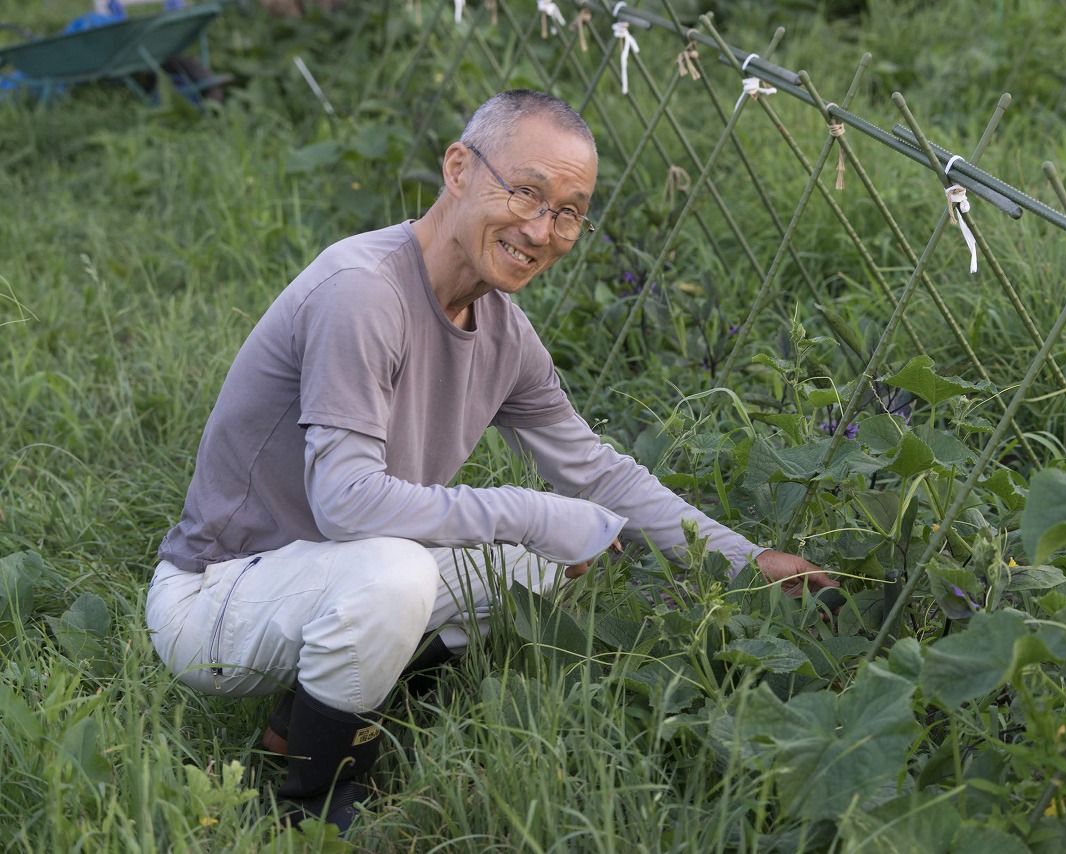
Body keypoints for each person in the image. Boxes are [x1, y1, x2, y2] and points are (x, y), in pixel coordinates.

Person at [145, 89, 837, 832]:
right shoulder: (363, 291)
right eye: (526, 193)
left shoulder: (504, 333)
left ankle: (303, 719)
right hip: (214, 601)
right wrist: (534, 512)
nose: (541, 229)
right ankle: (316, 807)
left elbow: (597, 472)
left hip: (322, 580)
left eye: (568, 212)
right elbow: (345, 501)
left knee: (545, 574)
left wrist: (743, 560)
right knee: (403, 572)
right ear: (458, 169)